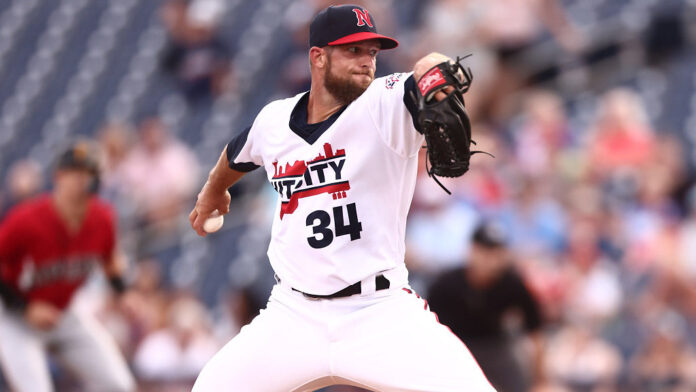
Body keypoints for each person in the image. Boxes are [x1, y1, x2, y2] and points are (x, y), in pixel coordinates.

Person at [188, 4, 494, 391]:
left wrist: (435, 70)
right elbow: (238, 152)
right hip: (293, 313)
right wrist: (212, 191)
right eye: (353, 50)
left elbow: (425, 70)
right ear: (318, 56)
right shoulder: (275, 120)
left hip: (379, 312)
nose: (367, 60)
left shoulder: (385, 102)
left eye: (371, 51)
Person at [0, 142, 135, 392]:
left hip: (63, 314)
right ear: (58, 177)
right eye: (76, 172)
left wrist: (122, 291)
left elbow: (110, 259)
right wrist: (26, 307)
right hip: (15, 317)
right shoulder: (26, 219)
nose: (82, 179)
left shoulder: (103, 218)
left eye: (89, 173)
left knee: (119, 384)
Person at [427, 221, 544, 392]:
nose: (491, 259)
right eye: (485, 251)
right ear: (472, 250)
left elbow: (535, 332)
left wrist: (540, 379)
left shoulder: (512, 284)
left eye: (497, 252)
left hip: (495, 346)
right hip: (455, 347)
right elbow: (428, 329)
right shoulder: (446, 284)